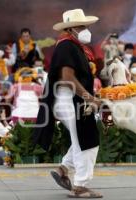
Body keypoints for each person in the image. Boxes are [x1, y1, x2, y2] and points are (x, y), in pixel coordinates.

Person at [33, 9, 102, 198]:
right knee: (86, 140)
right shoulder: (66, 46)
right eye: (82, 26)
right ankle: (80, 186)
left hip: (70, 99)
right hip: (68, 100)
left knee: (83, 137)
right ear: (71, 28)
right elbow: (67, 78)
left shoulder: (73, 46)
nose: (86, 29)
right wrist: (90, 97)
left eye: (86, 26)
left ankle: (64, 169)